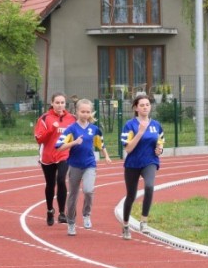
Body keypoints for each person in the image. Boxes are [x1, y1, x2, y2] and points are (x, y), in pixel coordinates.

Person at [57, 99, 112, 236]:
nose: (85, 114)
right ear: (77, 112)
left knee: (88, 190)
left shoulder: (94, 129)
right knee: (73, 195)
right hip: (75, 165)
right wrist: (74, 142)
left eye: (88, 112)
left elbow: (101, 144)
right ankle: (71, 222)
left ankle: (86, 214)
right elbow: (59, 147)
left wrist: (106, 156)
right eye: (82, 111)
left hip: (89, 165)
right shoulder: (71, 129)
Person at [120, 94, 164, 240]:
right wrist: (140, 132)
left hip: (150, 161)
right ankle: (125, 225)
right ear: (136, 108)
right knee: (131, 195)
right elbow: (128, 149)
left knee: (149, 186)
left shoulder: (156, 125)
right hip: (133, 163)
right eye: (142, 105)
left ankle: (143, 221)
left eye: (147, 105)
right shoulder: (129, 125)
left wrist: (160, 150)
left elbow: (160, 143)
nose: (145, 107)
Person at [33, 93, 76, 226]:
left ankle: (62, 213)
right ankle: (50, 210)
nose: (60, 105)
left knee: (61, 179)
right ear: (52, 103)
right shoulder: (45, 118)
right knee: (50, 184)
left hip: (64, 154)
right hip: (48, 155)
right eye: (57, 102)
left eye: (62, 102)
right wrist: (51, 129)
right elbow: (39, 139)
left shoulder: (72, 119)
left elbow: (77, 134)